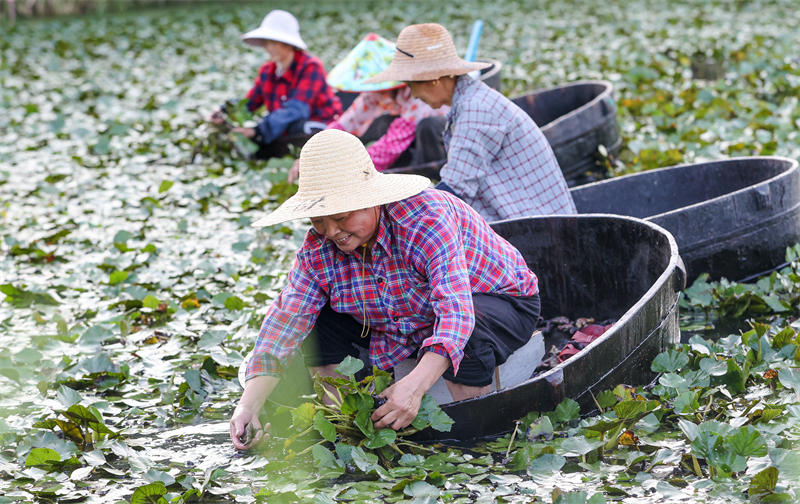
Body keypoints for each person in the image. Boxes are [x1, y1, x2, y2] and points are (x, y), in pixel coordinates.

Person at [230, 129, 541, 450]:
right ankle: (344, 425)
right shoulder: (318, 247)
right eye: (318, 221)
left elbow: (455, 314)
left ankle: (471, 433)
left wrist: (414, 388)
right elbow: (285, 322)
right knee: (318, 326)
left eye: (340, 217)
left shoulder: (424, 219)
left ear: (371, 200)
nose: (332, 232)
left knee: (471, 336)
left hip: (497, 301)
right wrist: (247, 406)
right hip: (403, 317)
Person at [365, 23, 576, 221]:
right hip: (525, 216)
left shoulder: (476, 108)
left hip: (539, 226)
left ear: (434, 80)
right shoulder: (469, 102)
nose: (413, 94)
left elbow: (456, 189)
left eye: (412, 85)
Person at [287, 33, 447, 183]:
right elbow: (346, 123)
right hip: (410, 136)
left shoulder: (416, 93)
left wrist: (352, 172)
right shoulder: (375, 94)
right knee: (386, 122)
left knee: (428, 126)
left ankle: (429, 179)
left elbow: (391, 145)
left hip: (444, 140)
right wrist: (311, 157)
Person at [207, 10, 342, 159]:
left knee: (296, 128)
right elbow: (250, 103)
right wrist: (224, 110)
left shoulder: (311, 67)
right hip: (283, 127)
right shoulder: (267, 71)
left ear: (289, 45)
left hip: (318, 124)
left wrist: (258, 131)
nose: (268, 48)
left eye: (274, 43)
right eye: (267, 43)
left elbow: (297, 109)